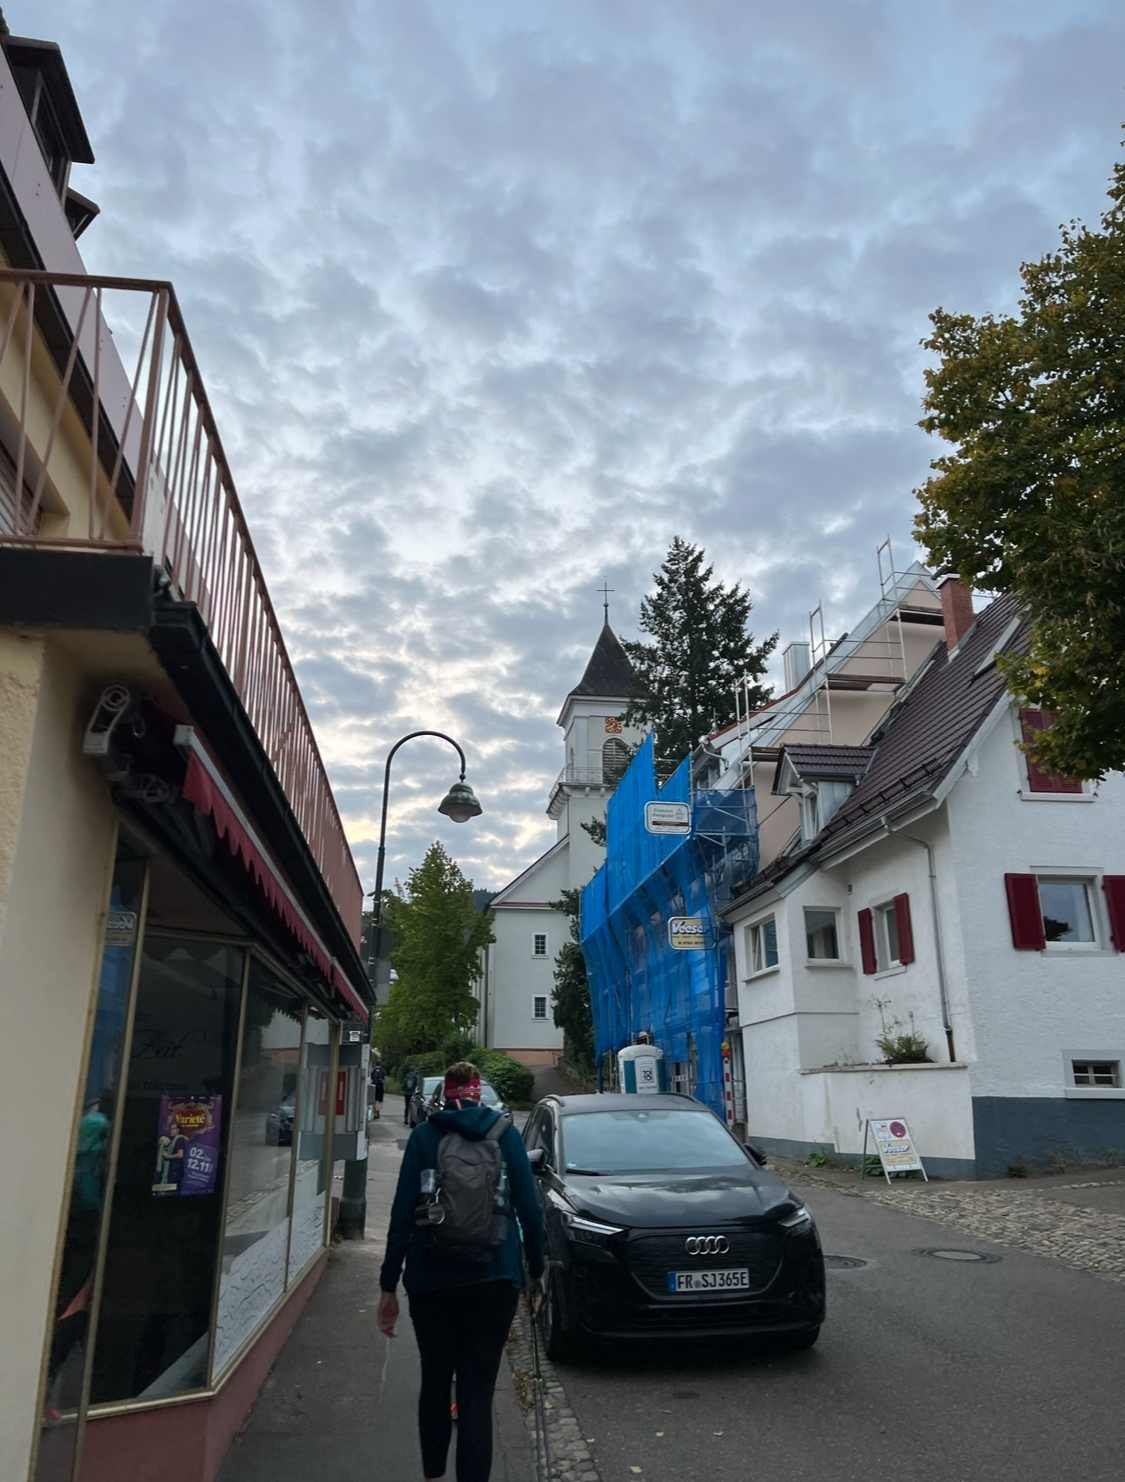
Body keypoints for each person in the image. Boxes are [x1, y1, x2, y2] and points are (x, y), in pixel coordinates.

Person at [378, 1061, 546, 1482]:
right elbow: (530, 1212)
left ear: (445, 1094)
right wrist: (536, 1270)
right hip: (495, 1278)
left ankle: (433, 1476)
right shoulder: (505, 1136)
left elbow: (401, 1215)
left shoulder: (424, 1136)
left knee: (435, 1380)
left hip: (431, 1279)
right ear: (478, 1092)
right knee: (477, 1394)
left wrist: (388, 1285)